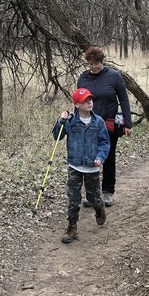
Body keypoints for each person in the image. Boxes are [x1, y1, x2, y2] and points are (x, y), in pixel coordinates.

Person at [52, 87, 110, 244]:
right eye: (85, 101)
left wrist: (100, 157)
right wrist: (61, 120)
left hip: (92, 166)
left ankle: (99, 208)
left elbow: (105, 143)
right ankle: (72, 227)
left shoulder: (98, 122)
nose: (89, 102)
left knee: (93, 197)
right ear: (77, 104)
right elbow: (57, 136)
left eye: (90, 99)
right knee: (73, 199)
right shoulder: (70, 121)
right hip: (75, 166)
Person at [77, 46, 132, 207]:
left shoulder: (114, 76)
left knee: (107, 157)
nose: (94, 67)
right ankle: (92, 194)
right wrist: (75, 122)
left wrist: (127, 123)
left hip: (109, 123)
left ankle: (107, 192)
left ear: (102, 62)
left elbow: (123, 99)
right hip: (89, 122)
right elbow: (79, 101)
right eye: (91, 64)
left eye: (97, 63)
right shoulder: (83, 78)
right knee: (89, 158)